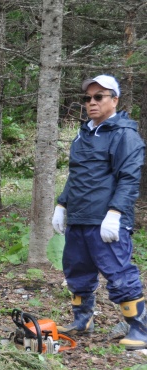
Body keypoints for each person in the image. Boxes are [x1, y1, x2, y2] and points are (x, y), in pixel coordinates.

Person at [52, 74, 146, 350]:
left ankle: (140, 328)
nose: (91, 103)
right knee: (76, 271)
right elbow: (76, 176)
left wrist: (115, 213)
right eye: (87, 98)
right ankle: (82, 321)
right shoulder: (82, 136)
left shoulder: (124, 135)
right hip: (79, 218)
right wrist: (61, 205)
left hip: (106, 220)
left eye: (98, 97)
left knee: (118, 273)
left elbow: (129, 179)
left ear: (114, 100)